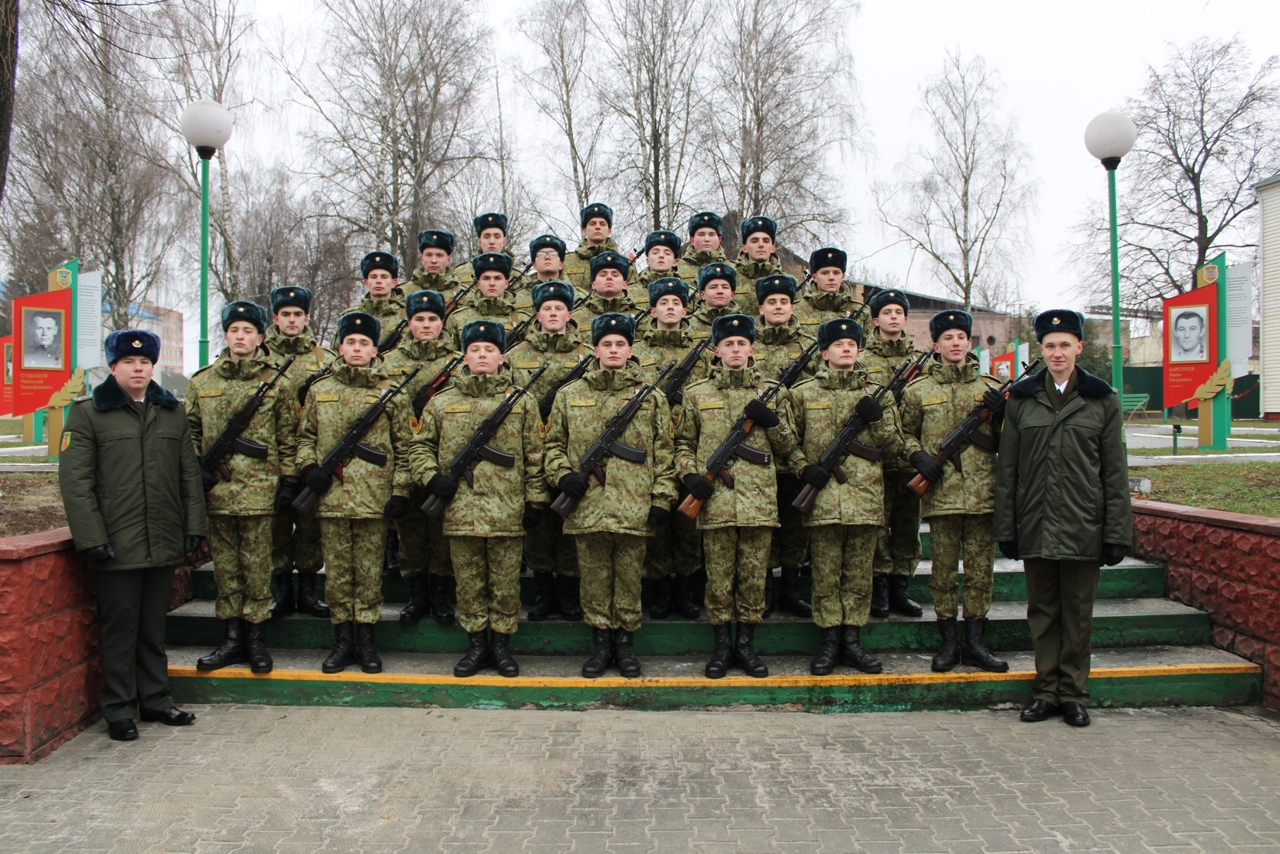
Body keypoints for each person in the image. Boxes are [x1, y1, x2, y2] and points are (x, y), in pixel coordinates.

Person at [58, 330, 206, 741]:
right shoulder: (87, 413)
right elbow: (76, 482)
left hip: (161, 536)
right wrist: (90, 538)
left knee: (152, 628)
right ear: (113, 367)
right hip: (116, 542)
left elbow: (188, 474)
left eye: (144, 363)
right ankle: (119, 708)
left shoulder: (170, 411)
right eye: (128, 363)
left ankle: (156, 700)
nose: (138, 369)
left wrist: (194, 526)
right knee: (119, 628)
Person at [994, 309, 1132, 728]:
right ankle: (1045, 691)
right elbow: (1009, 470)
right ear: (1041, 349)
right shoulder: (1020, 400)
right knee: (1043, 612)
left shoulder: (1102, 399)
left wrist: (1116, 533)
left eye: (1065, 345)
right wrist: (1007, 528)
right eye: (1050, 346)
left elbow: (1114, 470)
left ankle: (1072, 694)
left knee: (1077, 614)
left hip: (1082, 526)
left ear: (1079, 348)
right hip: (1035, 523)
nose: (1057, 352)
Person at [411, 320, 548, 678]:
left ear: (502, 357)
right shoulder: (441, 403)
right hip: (460, 510)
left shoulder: (522, 401)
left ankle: (501, 647)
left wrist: (534, 501)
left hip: (507, 511)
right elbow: (420, 447)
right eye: (476, 350)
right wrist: (432, 478)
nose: (482, 355)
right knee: (469, 584)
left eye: (489, 350)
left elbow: (535, 454)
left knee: (504, 584)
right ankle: (475, 646)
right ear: (464, 357)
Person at [544, 312, 678, 678]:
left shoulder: (650, 398)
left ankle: (625, 646)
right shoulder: (569, 395)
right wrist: (563, 476)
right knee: (594, 579)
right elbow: (553, 446)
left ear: (631, 349)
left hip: (634, 506)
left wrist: (662, 499)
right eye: (607, 344)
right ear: (594, 349)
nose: (614, 350)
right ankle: (601, 644)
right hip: (587, 506)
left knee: (630, 579)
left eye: (620, 344)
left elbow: (665, 453)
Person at [674, 314, 806, 679]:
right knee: (718, 581)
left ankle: (746, 648)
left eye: (741, 344)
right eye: (728, 344)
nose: (735, 349)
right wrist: (689, 475)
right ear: (717, 351)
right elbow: (683, 443)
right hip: (714, 502)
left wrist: (772, 423)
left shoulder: (773, 393)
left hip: (758, 504)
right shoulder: (697, 393)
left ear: (752, 349)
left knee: (752, 579)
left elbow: (788, 448)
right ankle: (721, 649)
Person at [297, 312, 414, 674]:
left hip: (373, 499)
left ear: (375, 349)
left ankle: (366, 641)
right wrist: (309, 469)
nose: (358, 348)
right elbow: (306, 439)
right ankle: (342, 641)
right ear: (340, 347)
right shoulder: (320, 390)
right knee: (338, 576)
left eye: (364, 343)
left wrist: (399, 492)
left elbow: (406, 447)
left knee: (367, 574)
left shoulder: (391, 391)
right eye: (351, 342)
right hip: (331, 499)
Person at [187, 301, 297, 675]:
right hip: (217, 493)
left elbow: (288, 439)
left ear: (261, 338)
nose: (240, 336)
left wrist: (288, 482)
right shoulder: (203, 382)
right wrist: (194, 472)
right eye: (234, 330)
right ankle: (231, 639)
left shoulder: (276, 384)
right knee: (226, 569)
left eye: (248, 331)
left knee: (256, 567)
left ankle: (255, 640)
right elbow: (190, 433)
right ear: (225, 336)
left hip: (259, 492)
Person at [790, 318, 903, 675]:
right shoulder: (803, 393)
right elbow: (788, 441)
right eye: (838, 345)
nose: (846, 349)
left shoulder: (877, 394)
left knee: (858, 577)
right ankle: (828, 643)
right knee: (824, 576)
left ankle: (852, 642)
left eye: (852, 344)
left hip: (865, 499)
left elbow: (895, 446)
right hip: (823, 500)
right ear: (824, 353)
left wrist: (879, 418)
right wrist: (803, 469)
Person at [900, 310, 1008, 674]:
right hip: (942, 493)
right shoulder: (918, 391)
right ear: (935, 344)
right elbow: (903, 433)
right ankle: (948, 643)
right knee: (944, 572)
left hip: (982, 494)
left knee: (980, 572)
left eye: (961, 336)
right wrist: (917, 456)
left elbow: (1010, 440)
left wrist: (1003, 412)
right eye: (948, 338)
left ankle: (976, 642)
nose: (956, 343)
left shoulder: (989, 388)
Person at [507, 281, 588, 622]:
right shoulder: (515, 355)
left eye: (559, 308)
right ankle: (543, 591)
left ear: (569, 314)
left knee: (569, 517)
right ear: (537, 314)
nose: (553, 314)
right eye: (547, 309)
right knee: (538, 521)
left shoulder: (585, 353)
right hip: (530, 448)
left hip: (572, 449)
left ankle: (568, 593)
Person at [632, 277, 708, 619]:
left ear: (686, 309)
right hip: (654, 443)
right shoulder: (638, 350)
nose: (670, 308)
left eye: (676, 303)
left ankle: (686, 590)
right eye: (663, 303)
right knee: (660, 521)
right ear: (653, 310)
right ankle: (662, 589)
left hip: (691, 441)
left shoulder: (701, 351)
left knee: (689, 523)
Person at [382, 290, 459, 627]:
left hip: (442, 460)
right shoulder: (389, 363)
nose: (426, 325)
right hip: (400, 455)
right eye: (419, 320)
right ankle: (417, 595)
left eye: (432, 319)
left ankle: (441, 595)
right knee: (409, 530)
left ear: (442, 322)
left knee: (441, 532)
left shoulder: (456, 360)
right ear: (408, 323)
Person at [264, 286, 333, 621]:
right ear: (275, 318)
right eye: (285, 315)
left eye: (298, 315)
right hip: (270, 459)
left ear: (307, 318)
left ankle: (307, 590)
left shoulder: (325, 359)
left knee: (309, 528)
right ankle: (281, 592)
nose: (292, 320)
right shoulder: (259, 357)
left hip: (311, 458)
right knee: (277, 527)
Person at [859, 289, 926, 620]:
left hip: (912, 456)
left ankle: (902, 583)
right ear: (875, 320)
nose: (894, 317)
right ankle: (880, 585)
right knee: (878, 522)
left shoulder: (921, 361)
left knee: (907, 522)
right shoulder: (861, 360)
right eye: (887, 312)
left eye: (899, 311)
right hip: (876, 453)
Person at [752, 273, 815, 619]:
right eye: (772, 302)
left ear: (793, 307)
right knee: (762, 524)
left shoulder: (810, 346)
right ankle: (764, 588)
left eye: (784, 302)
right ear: (761, 308)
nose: (778, 307)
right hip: (755, 449)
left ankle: (790, 588)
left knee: (793, 523)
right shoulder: (747, 342)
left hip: (795, 447)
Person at [443, 252, 532, 348]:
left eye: (497, 278)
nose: (492, 283)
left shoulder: (523, 319)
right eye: (486, 278)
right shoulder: (457, 319)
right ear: (478, 284)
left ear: (506, 284)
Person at [794, 248, 870, 338]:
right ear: (814, 277)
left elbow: (871, 348)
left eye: (836, 273)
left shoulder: (861, 312)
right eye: (825, 273)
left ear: (842, 276)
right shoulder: (796, 310)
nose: (831, 277)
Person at [453, 213, 528, 299]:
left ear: (504, 241)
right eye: (487, 236)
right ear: (479, 241)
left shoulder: (518, 277)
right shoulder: (459, 273)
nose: (492, 241)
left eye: (497, 236)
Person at [340, 251, 405, 346]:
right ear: (366, 282)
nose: (378, 281)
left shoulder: (406, 315)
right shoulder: (349, 316)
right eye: (373, 277)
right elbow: (337, 352)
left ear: (394, 282)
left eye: (384, 277)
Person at [572, 250, 640, 329]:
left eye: (615, 275)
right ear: (593, 284)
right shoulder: (576, 318)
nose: (609, 277)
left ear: (625, 284)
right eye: (603, 274)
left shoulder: (641, 318)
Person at [563, 203, 622, 292]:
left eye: (602, 224)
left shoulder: (623, 263)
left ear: (609, 230)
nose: (597, 227)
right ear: (584, 230)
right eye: (592, 223)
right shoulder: (567, 261)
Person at [733, 215, 784, 317]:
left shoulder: (785, 281)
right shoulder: (731, 279)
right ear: (744, 248)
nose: (761, 245)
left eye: (766, 241)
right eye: (754, 241)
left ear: (773, 247)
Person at [404, 230, 465, 304]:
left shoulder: (463, 294)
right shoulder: (403, 293)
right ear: (422, 258)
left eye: (439, 255)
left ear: (448, 259)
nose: (433, 260)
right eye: (429, 255)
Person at [688, 263, 745, 340]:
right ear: (702, 294)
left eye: (725, 287)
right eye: (713, 287)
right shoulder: (688, 327)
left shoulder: (745, 325)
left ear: (732, 294)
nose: (720, 291)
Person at [627, 229, 683, 306]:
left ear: (675, 262)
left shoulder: (687, 292)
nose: (661, 256)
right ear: (647, 260)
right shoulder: (629, 292)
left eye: (667, 253)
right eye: (655, 252)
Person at [677, 211, 729, 287]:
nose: (707, 239)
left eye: (711, 234)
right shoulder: (676, 268)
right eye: (701, 234)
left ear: (719, 239)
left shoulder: (732, 268)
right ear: (692, 240)